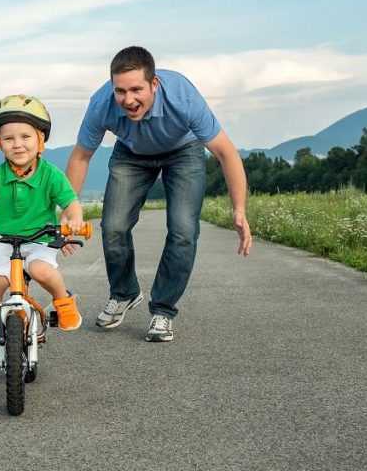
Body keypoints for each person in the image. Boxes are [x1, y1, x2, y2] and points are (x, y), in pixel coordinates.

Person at [64, 46, 252, 343]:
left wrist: (238, 208)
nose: (128, 100)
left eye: (136, 89)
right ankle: (124, 292)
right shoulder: (101, 103)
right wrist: (67, 208)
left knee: (183, 229)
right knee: (113, 226)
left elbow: (226, 153)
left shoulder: (182, 97)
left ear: (154, 84)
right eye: (120, 91)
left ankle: (163, 310)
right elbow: (81, 157)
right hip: (131, 152)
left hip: (183, 151)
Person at [0, 94, 86, 355]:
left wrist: (75, 219)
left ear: (41, 141)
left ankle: (64, 301)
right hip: (2, 238)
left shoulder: (51, 174)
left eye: (25, 137)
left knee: (40, 269)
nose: (18, 144)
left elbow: (70, 201)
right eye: (9, 138)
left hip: (40, 238)